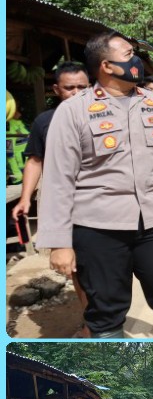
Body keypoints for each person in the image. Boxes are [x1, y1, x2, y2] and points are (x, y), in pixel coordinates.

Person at [36, 31, 153, 339]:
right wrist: (59, 242)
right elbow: (58, 179)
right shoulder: (73, 111)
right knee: (106, 311)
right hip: (98, 227)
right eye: (128, 54)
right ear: (107, 66)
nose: (136, 60)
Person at [11, 62, 92, 336]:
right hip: (66, 205)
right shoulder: (45, 122)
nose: (76, 92)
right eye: (69, 88)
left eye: (83, 87)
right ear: (56, 89)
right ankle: (92, 322)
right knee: (79, 268)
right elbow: (35, 161)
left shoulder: (105, 117)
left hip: (103, 203)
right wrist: (25, 199)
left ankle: (103, 316)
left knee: (107, 266)